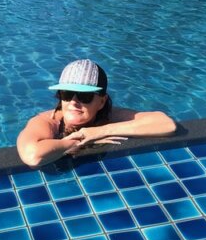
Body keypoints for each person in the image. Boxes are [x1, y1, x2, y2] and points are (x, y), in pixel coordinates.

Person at [16, 59, 177, 168]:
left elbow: (166, 124)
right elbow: (32, 156)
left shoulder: (109, 116)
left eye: (85, 96)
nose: (73, 101)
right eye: (66, 94)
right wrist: (79, 140)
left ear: (101, 101)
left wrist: (99, 131)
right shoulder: (48, 122)